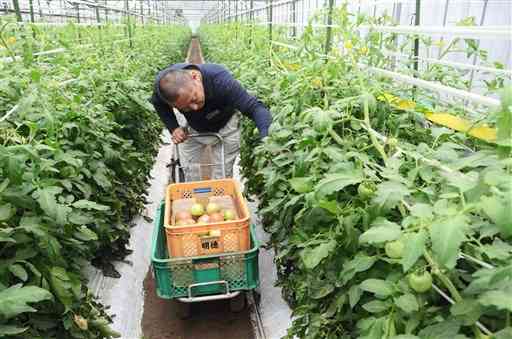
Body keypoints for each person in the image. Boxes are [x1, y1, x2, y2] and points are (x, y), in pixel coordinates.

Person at [151, 63, 272, 181]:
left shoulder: (220, 80)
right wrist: (174, 128)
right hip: (191, 130)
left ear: (195, 77)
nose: (195, 108)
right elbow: (158, 103)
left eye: (194, 98)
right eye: (185, 107)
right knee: (190, 174)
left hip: (226, 127)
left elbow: (255, 108)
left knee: (222, 178)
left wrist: (266, 139)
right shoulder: (163, 89)